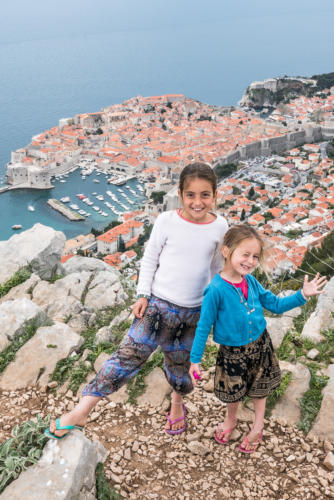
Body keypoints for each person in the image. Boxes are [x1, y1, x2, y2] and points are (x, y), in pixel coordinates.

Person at [45, 162, 228, 439]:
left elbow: (216, 270)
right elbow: (150, 258)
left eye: (205, 194)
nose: (198, 201)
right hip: (157, 306)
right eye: (191, 194)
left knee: (179, 366)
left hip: (194, 312)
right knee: (127, 355)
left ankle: (177, 403)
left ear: (215, 195)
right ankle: (82, 410)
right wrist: (142, 294)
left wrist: (215, 309)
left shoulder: (220, 226)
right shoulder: (167, 221)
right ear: (180, 193)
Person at [189, 224, 327, 453]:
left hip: (261, 346)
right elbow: (203, 327)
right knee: (233, 391)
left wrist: (303, 295)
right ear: (226, 251)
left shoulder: (251, 282)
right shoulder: (215, 289)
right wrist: (195, 360)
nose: (251, 261)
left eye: (255, 256)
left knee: (259, 389)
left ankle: (258, 426)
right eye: (245, 254)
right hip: (232, 351)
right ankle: (230, 420)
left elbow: (275, 304)